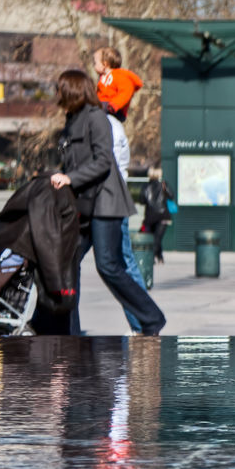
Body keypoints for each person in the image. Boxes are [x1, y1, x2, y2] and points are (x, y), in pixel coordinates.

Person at [46, 69, 165, 336]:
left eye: (61, 89)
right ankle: (69, 329)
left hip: (106, 201)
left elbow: (102, 162)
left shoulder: (97, 118)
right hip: (86, 203)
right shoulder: (72, 119)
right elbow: (73, 161)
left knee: (109, 265)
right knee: (69, 262)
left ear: (74, 90)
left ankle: (151, 318)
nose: (58, 94)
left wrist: (70, 178)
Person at [103, 104, 151, 334]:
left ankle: (143, 321)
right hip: (110, 200)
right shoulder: (114, 125)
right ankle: (143, 321)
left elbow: (103, 165)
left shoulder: (108, 126)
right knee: (122, 262)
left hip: (109, 201)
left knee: (120, 263)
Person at [93, 46, 143, 119]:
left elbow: (126, 91)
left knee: (94, 109)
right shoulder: (103, 78)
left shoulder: (119, 76)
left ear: (105, 64)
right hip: (104, 105)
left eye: (95, 63)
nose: (94, 65)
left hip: (115, 109)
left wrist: (115, 104)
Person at [140, 166, 172, 264]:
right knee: (157, 238)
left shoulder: (145, 186)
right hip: (163, 216)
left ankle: (159, 256)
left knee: (155, 237)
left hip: (150, 216)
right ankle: (154, 257)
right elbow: (171, 196)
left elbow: (142, 200)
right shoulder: (163, 184)